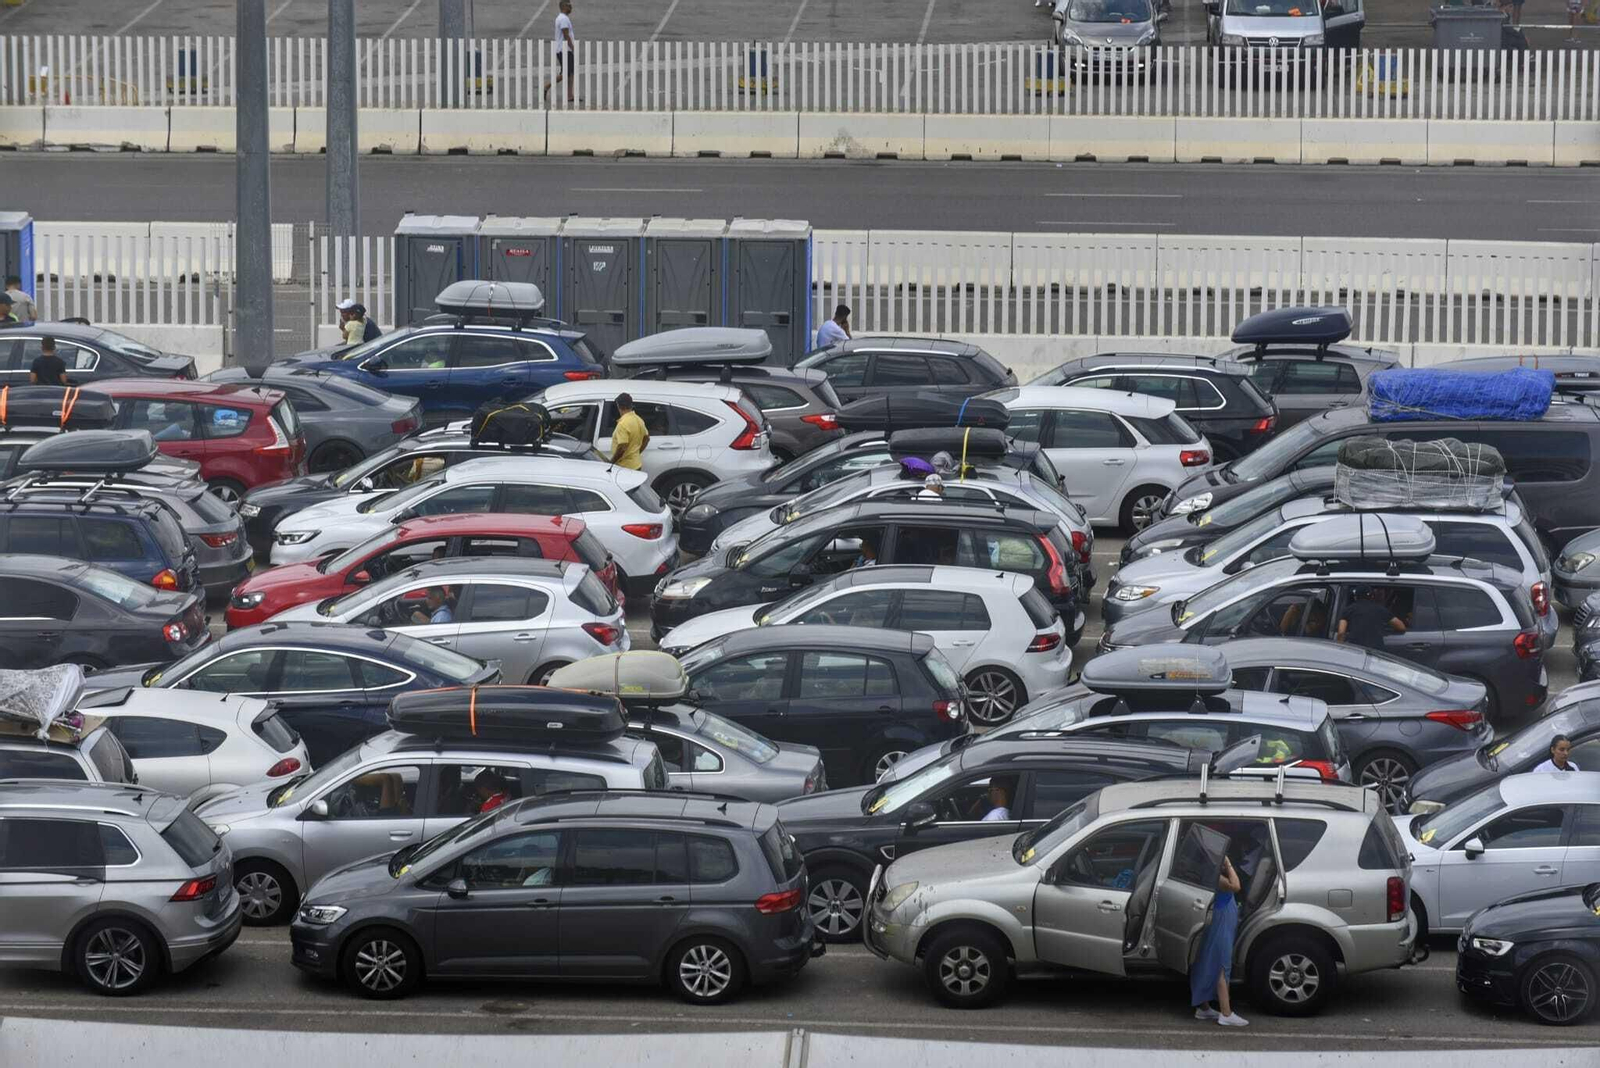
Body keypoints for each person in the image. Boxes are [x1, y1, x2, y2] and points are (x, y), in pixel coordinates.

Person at [1190, 852, 1248, 1027]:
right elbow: (1236, 886)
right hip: (1220, 920)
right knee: (1221, 963)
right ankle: (1226, 1013)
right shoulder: (1217, 877)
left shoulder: (1206, 871)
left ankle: (1203, 1007)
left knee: (1206, 960)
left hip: (1220, 916)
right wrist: (1229, 864)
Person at [1335, 586, 1406, 651]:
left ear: (1355, 597)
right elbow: (1401, 627)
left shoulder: (1348, 610)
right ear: (1372, 596)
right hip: (1376, 650)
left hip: (1356, 649)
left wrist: (1340, 648)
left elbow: (1341, 632)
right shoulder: (1380, 609)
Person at [544, 0, 577, 105]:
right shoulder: (563, 19)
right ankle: (547, 86)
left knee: (570, 73)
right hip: (564, 49)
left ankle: (570, 96)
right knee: (566, 73)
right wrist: (572, 46)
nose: (571, 7)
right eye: (569, 5)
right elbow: (565, 34)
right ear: (564, 7)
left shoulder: (563, 18)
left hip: (566, 49)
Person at [609, 392, 650, 470]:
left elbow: (623, 447)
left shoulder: (623, 424)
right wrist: (636, 453)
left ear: (618, 406)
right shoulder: (639, 420)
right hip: (636, 464)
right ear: (631, 405)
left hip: (625, 467)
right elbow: (647, 438)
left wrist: (612, 462)